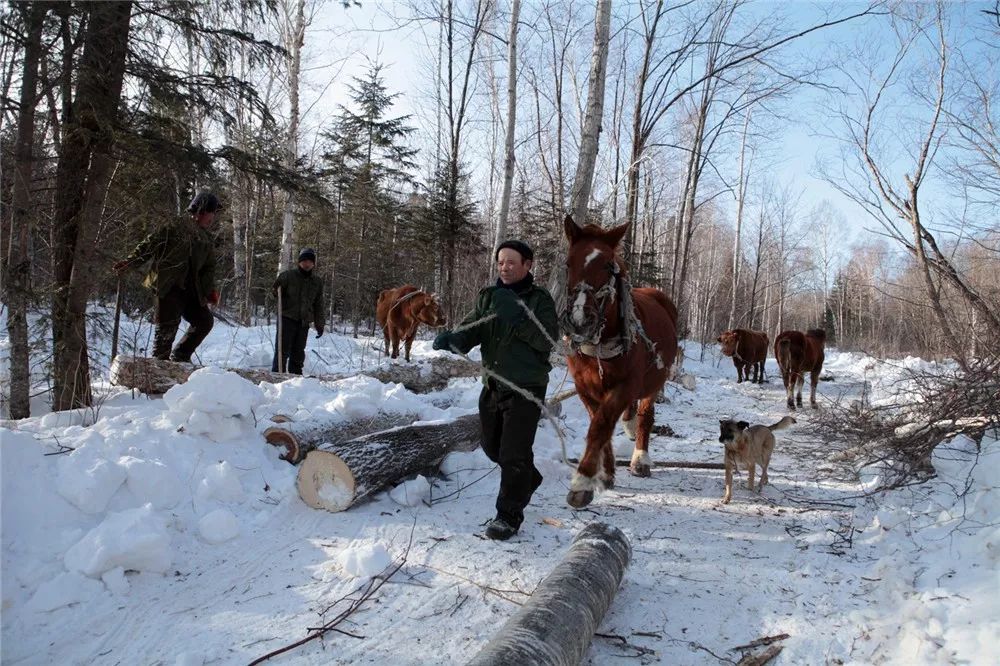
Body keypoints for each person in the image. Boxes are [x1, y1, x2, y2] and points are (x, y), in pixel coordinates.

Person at [432, 240, 558, 540]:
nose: (505, 267)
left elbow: (548, 340)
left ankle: (508, 516)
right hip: (493, 385)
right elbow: (474, 327)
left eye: (512, 262)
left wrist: (518, 319)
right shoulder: (489, 296)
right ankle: (528, 478)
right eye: (501, 261)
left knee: (514, 453)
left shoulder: (539, 299)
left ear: (528, 265)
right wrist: (455, 340)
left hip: (526, 388)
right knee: (492, 448)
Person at [113, 191, 221, 362]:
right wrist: (130, 262)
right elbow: (150, 244)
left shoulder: (206, 238)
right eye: (212, 212)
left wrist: (210, 292)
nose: (213, 218)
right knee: (166, 330)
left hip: (192, 291)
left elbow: (208, 268)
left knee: (204, 321)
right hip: (168, 286)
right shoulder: (174, 226)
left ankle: (180, 356)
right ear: (201, 210)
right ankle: (158, 371)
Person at [272, 248, 326, 375]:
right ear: (299, 262)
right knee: (282, 350)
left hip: (303, 322)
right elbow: (274, 293)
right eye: (304, 261)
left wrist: (320, 324)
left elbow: (318, 304)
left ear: (313, 263)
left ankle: (295, 378)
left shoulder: (316, 282)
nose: (307, 264)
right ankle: (277, 375)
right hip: (287, 318)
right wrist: (275, 291)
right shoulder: (288, 276)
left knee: (298, 352)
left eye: (309, 261)